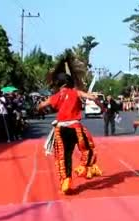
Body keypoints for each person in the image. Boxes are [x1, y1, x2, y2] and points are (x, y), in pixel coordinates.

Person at [39, 52, 103, 194]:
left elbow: (42, 105)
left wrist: (39, 107)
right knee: (88, 148)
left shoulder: (56, 96)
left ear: (59, 84)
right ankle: (83, 167)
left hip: (61, 129)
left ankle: (66, 181)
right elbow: (91, 97)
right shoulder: (76, 92)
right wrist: (99, 103)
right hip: (75, 127)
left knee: (63, 156)